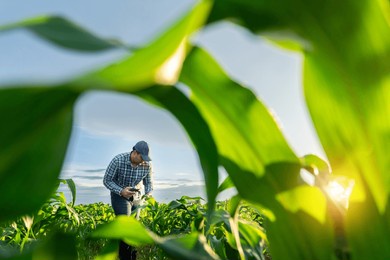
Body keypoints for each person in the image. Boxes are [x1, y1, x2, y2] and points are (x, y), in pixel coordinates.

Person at [103, 140, 153, 260]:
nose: (143, 160)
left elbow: (148, 183)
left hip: (136, 196)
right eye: (142, 157)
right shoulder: (118, 160)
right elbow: (107, 180)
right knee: (125, 224)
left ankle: (132, 256)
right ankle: (124, 257)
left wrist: (149, 194)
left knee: (134, 227)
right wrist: (121, 191)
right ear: (135, 153)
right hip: (119, 195)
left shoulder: (147, 165)